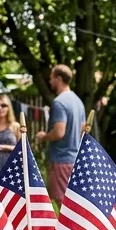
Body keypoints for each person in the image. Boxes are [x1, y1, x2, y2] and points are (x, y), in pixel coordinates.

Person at [35, 65, 84, 207]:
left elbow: (59, 132)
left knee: (62, 202)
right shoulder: (78, 101)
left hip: (61, 159)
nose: (49, 81)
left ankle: (70, 224)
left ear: (59, 79)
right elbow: (83, 129)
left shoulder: (59, 102)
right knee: (72, 202)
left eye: (51, 78)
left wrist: (43, 136)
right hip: (75, 158)